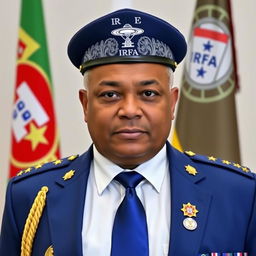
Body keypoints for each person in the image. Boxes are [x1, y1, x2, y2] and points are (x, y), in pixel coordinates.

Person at [0, 8, 256, 256]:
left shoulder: (238, 194)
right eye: (110, 95)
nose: (130, 110)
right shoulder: (30, 195)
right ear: (86, 104)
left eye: (148, 94)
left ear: (172, 103)